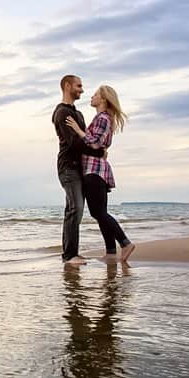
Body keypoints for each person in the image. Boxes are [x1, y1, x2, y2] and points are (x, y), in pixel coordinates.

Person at [65, 85, 136, 264]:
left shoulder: (103, 118)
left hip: (94, 170)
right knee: (100, 212)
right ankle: (111, 252)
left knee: (98, 212)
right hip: (97, 169)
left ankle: (125, 243)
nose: (92, 97)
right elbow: (98, 145)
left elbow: (94, 144)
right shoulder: (103, 118)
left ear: (103, 99)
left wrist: (77, 129)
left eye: (95, 94)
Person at [51, 75, 104, 265]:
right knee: (76, 208)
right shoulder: (62, 113)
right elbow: (74, 143)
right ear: (67, 86)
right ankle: (69, 256)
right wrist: (98, 153)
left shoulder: (79, 114)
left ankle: (72, 253)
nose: (82, 90)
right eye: (78, 86)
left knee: (73, 209)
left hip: (80, 168)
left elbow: (87, 138)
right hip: (68, 168)